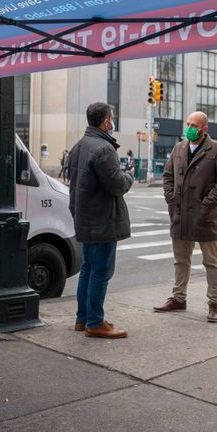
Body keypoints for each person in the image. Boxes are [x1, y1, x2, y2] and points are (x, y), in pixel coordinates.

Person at [156, 111, 217, 323]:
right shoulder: (178, 148)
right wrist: (171, 198)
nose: (189, 127)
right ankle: (178, 298)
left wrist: (207, 203)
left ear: (204, 128)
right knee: (180, 261)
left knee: (211, 262)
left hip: (204, 216)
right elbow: (168, 175)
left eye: (194, 125)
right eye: (188, 123)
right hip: (180, 214)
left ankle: (214, 303)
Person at [66, 102, 134, 339]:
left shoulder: (79, 146)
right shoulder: (104, 149)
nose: (112, 121)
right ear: (106, 121)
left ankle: (83, 318)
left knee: (87, 269)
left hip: (85, 218)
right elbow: (117, 185)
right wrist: (129, 175)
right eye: (112, 117)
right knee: (100, 272)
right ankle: (95, 322)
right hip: (102, 220)